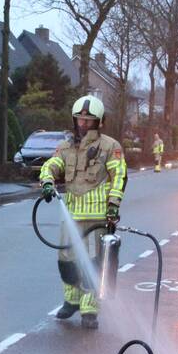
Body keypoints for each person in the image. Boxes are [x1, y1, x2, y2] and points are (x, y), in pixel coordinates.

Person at [40, 95, 127, 330]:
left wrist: (113, 205)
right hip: (71, 217)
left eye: (88, 121)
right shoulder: (67, 147)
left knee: (92, 263)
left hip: (96, 219)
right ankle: (71, 301)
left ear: (99, 122)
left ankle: (89, 310)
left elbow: (119, 176)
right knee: (66, 261)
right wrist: (47, 181)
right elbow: (52, 164)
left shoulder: (110, 147)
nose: (83, 124)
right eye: (79, 120)